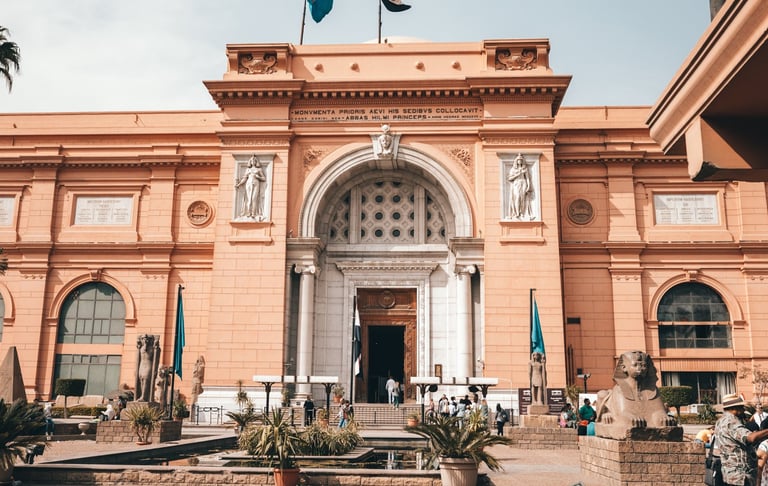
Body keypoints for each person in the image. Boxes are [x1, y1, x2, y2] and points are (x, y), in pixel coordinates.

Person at [714, 393, 768, 486]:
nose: (743, 410)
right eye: (741, 407)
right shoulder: (731, 422)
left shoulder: (720, 421)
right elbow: (751, 438)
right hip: (740, 477)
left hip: (730, 475)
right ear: (734, 408)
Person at [507, 153, 532, 220]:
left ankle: (522, 213)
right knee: (517, 197)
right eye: (518, 160)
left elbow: (527, 178)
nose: (520, 161)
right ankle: (516, 213)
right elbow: (510, 178)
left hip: (523, 183)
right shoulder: (513, 169)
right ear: (516, 161)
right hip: (516, 183)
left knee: (522, 198)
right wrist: (518, 174)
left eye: (521, 160)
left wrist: (529, 186)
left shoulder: (525, 169)